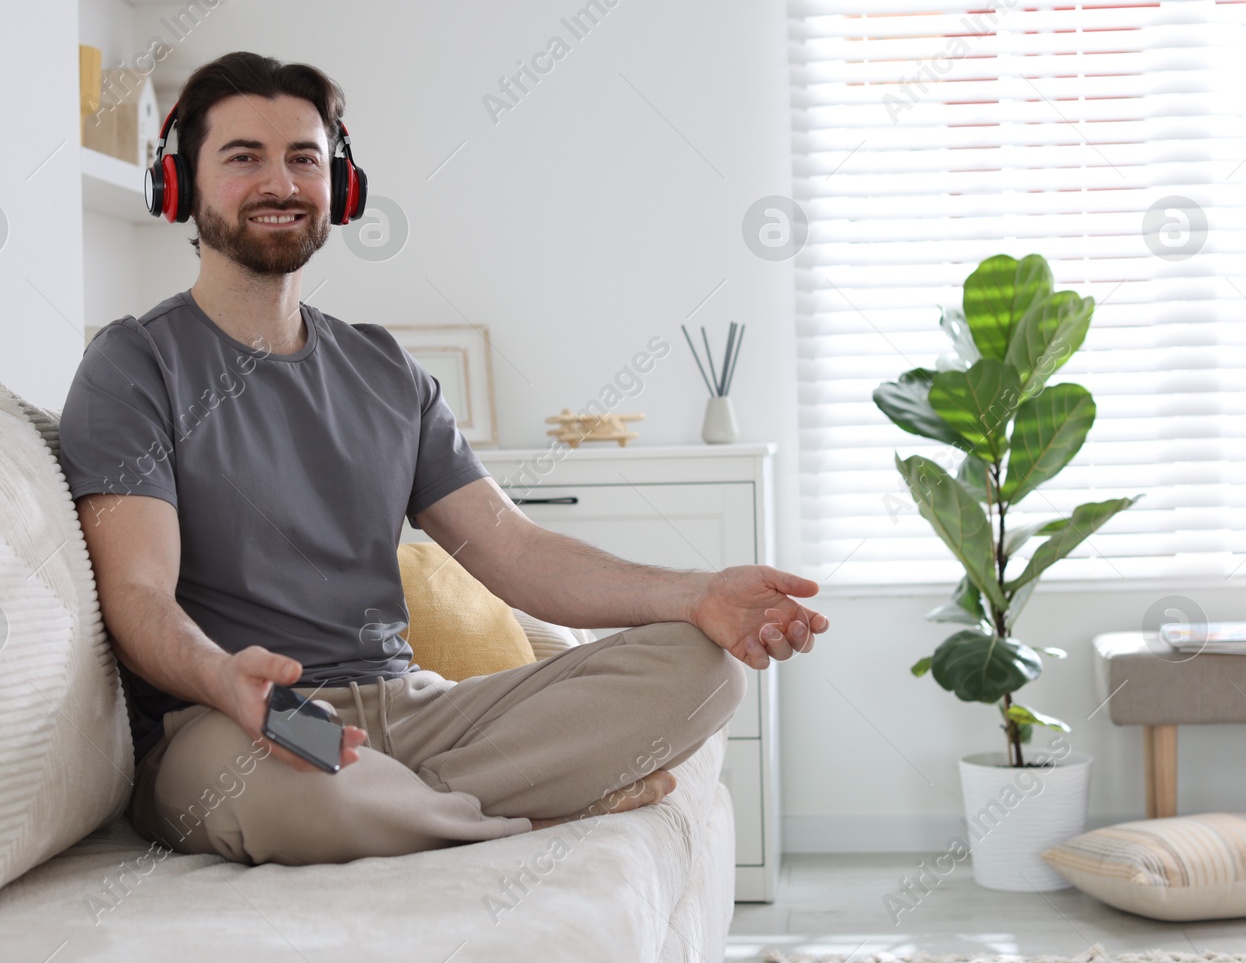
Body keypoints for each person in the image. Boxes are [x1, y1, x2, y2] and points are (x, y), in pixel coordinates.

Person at [57, 50, 828, 866]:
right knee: (294, 796)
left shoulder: (387, 371)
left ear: (340, 189)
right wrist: (221, 679)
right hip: (237, 719)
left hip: (412, 705)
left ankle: (407, 801)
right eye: (244, 157)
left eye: (304, 159)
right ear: (180, 184)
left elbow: (515, 550)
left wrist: (698, 593)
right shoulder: (134, 364)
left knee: (701, 669)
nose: (279, 183)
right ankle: (530, 810)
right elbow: (136, 594)